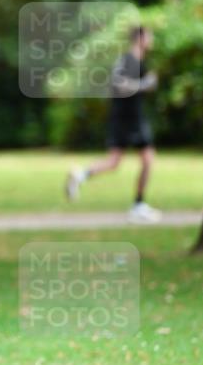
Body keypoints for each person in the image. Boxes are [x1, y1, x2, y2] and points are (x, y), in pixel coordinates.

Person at [66, 25, 161, 223]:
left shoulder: (139, 61)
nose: (151, 40)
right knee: (146, 159)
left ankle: (81, 175)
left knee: (116, 161)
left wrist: (147, 84)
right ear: (140, 38)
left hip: (129, 117)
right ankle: (138, 206)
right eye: (149, 36)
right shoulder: (128, 60)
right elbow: (118, 84)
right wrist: (144, 84)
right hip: (128, 119)